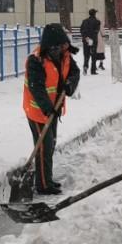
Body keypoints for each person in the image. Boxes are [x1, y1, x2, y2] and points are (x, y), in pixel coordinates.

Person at [22, 23, 81, 195]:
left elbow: (74, 72)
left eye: (64, 45)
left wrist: (70, 84)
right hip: (38, 110)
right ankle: (42, 185)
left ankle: (46, 179)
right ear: (51, 45)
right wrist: (48, 108)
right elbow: (36, 88)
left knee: (51, 143)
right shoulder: (36, 60)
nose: (63, 48)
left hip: (54, 109)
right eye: (59, 46)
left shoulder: (65, 56)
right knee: (44, 147)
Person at [79, 8, 104, 74]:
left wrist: (86, 37)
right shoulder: (97, 21)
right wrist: (91, 37)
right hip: (93, 40)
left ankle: (85, 66)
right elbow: (96, 31)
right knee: (93, 55)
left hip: (86, 40)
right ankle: (93, 70)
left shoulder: (84, 21)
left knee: (86, 55)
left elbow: (81, 30)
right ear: (95, 14)